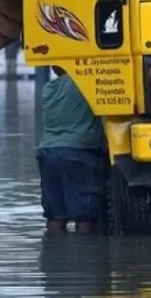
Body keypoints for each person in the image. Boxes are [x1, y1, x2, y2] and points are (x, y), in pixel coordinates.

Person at [37, 67, 106, 234]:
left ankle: (54, 249)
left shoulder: (48, 89)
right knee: (85, 217)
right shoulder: (84, 82)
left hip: (48, 152)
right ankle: (85, 249)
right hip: (79, 152)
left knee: (55, 216)